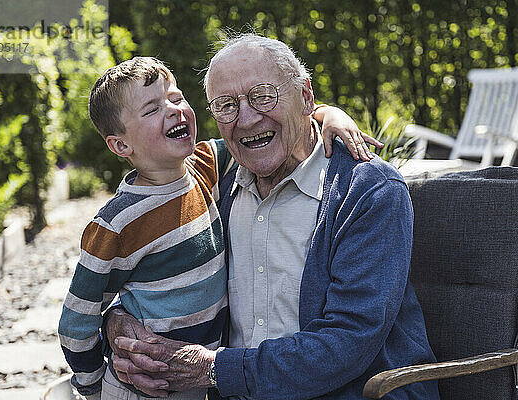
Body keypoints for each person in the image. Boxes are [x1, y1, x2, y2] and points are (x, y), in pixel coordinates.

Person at [105, 34, 440, 400]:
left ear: (306, 97)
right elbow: (160, 267)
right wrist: (118, 319)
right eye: (226, 105)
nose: (246, 119)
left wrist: (213, 369)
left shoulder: (367, 191)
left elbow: (349, 339)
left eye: (263, 96)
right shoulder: (216, 181)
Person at [58, 56, 380, 400]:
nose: (172, 110)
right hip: (144, 384)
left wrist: (327, 113)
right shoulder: (117, 223)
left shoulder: (205, 167)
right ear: (121, 145)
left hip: (201, 380)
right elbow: (80, 314)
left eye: (176, 97)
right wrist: (91, 382)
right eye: (151, 109)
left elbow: (270, 127)